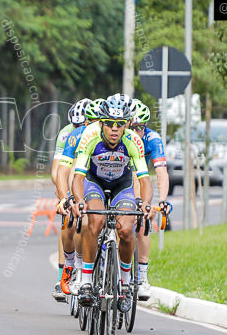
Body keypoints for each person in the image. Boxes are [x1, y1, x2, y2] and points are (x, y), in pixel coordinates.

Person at [70, 93, 152, 307]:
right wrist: (79, 201)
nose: (114, 128)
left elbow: (145, 180)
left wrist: (145, 203)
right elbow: (78, 177)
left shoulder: (133, 140)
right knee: (95, 220)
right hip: (94, 181)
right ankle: (87, 280)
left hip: (121, 185)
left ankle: (125, 283)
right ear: (101, 123)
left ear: (126, 125)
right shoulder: (90, 136)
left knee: (126, 229)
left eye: (120, 124)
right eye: (109, 124)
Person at [49, 97, 91, 302]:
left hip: (91, 180)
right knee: (67, 222)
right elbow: (57, 170)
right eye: (74, 125)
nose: (77, 128)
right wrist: (63, 195)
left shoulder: (96, 132)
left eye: (81, 124)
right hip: (72, 176)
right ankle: (62, 276)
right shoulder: (67, 134)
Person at [129, 101, 172, 300]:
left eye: (141, 127)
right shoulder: (120, 137)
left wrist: (162, 200)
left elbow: (160, 172)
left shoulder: (152, 139)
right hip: (120, 179)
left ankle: (142, 278)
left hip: (140, 177)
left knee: (143, 221)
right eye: (133, 127)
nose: (137, 132)